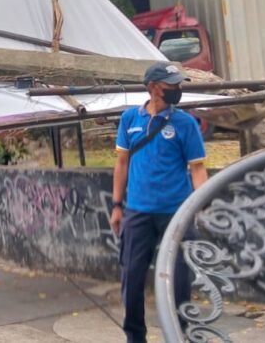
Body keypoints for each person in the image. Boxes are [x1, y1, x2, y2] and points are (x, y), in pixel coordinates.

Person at [110, 61, 209, 343]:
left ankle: (179, 335)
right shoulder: (130, 120)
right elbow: (121, 163)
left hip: (176, 216)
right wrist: (117, 206)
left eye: (179, 85)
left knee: (178, 285)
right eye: (172, 86)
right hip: (137, 213)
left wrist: (199, 207)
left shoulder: (185, 124)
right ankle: (135, 338)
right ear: (154, 88)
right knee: (132, 281)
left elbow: (197, 169)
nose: (177, 90)